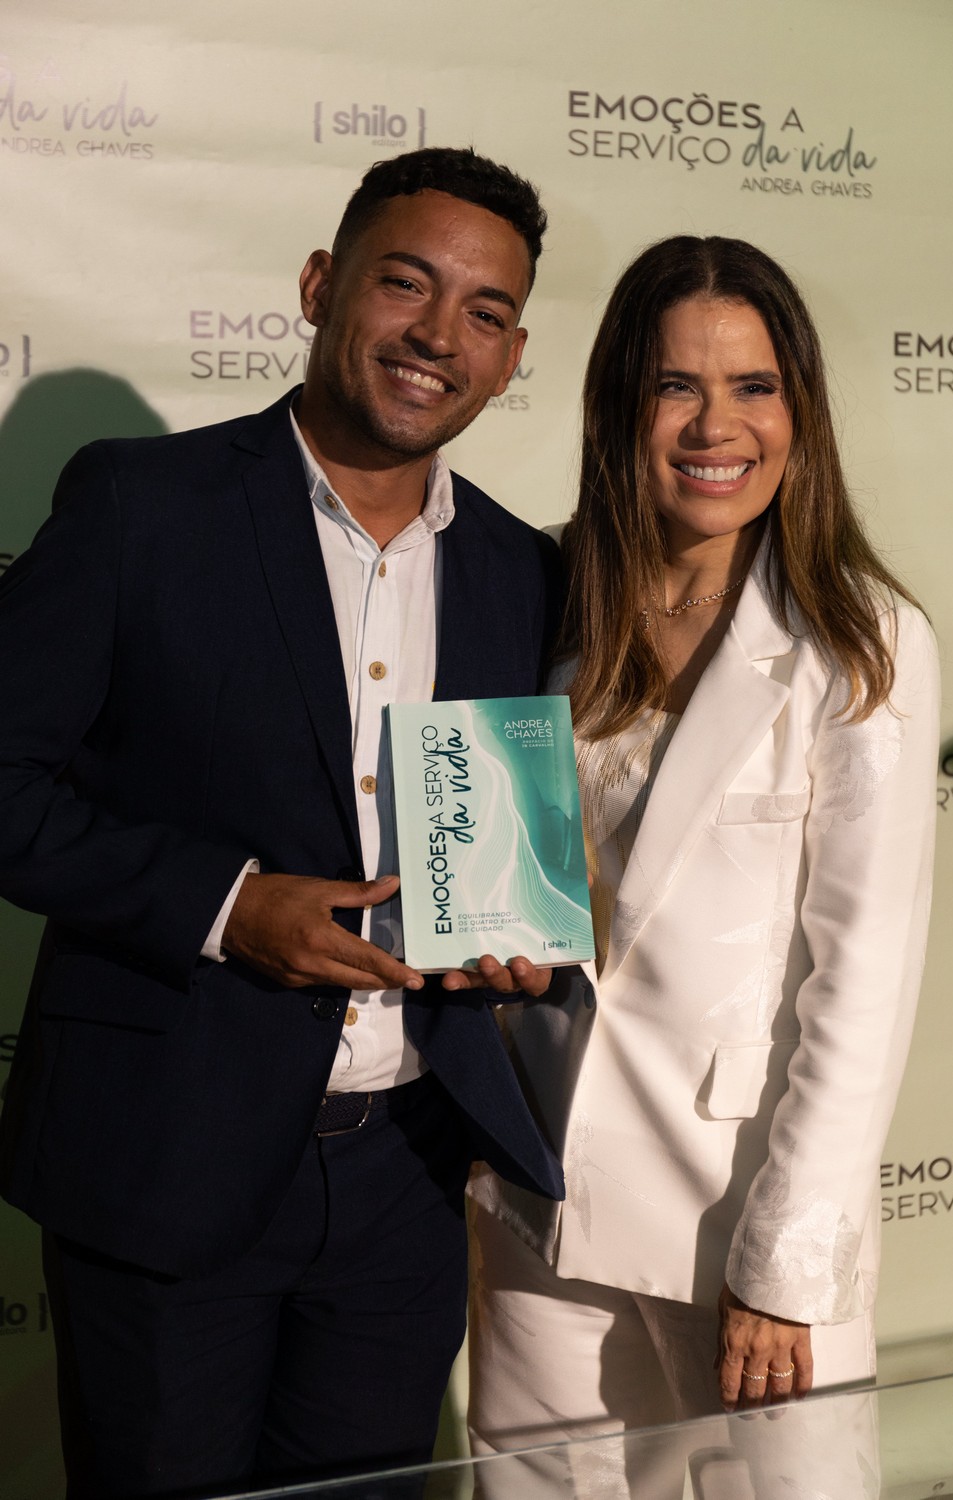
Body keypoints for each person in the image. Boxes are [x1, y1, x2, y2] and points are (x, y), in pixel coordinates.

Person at [0, 146, 565, 1499]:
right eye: (405, 284)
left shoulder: (524, 570)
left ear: (510, 358)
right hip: (166, 1157)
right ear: (321, 286)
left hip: (409, 1177)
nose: (438, 335)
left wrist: (517, 949)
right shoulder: (140, 506)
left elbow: (502, 844)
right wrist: (226, 905)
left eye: (485, 313)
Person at [468, 236, 939, 1464]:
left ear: (800, 411)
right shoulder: (547, 599)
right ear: (618, 406)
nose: (714, 426)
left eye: (753, 387)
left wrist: (785, 1260)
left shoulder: (863, 641)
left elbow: (864, 980)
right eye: (675, 385)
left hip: (730, 1208)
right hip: (536, 1192)